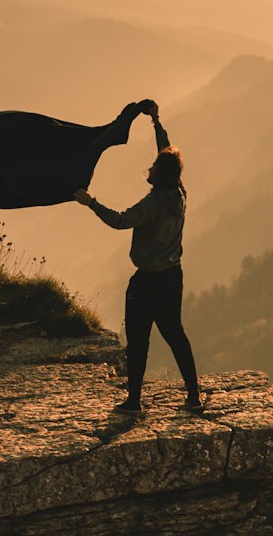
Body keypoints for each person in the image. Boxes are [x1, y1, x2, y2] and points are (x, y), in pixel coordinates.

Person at [74, 98, 203, 417]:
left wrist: (91, 203)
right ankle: (194, 395)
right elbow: (169, 153)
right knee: (175, 334)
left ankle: (134, 401)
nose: (150, 166)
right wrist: (156, 122)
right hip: (173, 277)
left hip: (147, 281)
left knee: (139, 338)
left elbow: (119, 220)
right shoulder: (179, 193)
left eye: (154, 166)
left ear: (158, 175)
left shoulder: (151, 206)